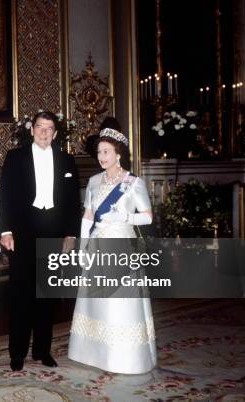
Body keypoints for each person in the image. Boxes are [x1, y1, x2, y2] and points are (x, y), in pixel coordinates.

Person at [67, 127, 157, 374]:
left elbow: (148, 218)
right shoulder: (94, 181)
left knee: (119, 303)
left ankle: (125, 358)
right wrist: (83, 245)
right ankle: (93, 353)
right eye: (99, 152)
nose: (101, 156)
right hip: (97, 247)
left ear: (118, 154)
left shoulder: (133, 183)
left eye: (106, 151)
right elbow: (87, 215)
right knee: (97, 303)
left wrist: (126, 216)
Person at [0, 111, 81, 371]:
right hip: (23, 233)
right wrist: (6, 231)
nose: (44, 132)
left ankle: (42, 351)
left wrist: (70, 234)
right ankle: (17, 353)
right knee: (21, 295)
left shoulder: (67, 161)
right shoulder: (15, 157)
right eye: (40, 127)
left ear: (56, 133)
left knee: (47, 295)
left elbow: (71, 203)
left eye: (49, 128)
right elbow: (6, 197)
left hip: (54, 233)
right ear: (31, 130)